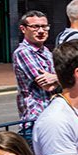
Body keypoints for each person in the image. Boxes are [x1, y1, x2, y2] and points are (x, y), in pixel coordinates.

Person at [13, 10, 58, 142]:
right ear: (23, 29)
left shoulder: (47, 52)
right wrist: (61, 78)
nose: (41, 31)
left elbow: (53, 79)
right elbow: (47, 85)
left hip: (51, 117)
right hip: (35, 121)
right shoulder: (23, 52)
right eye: (35, 27)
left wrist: (55, 77)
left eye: (44, 26)